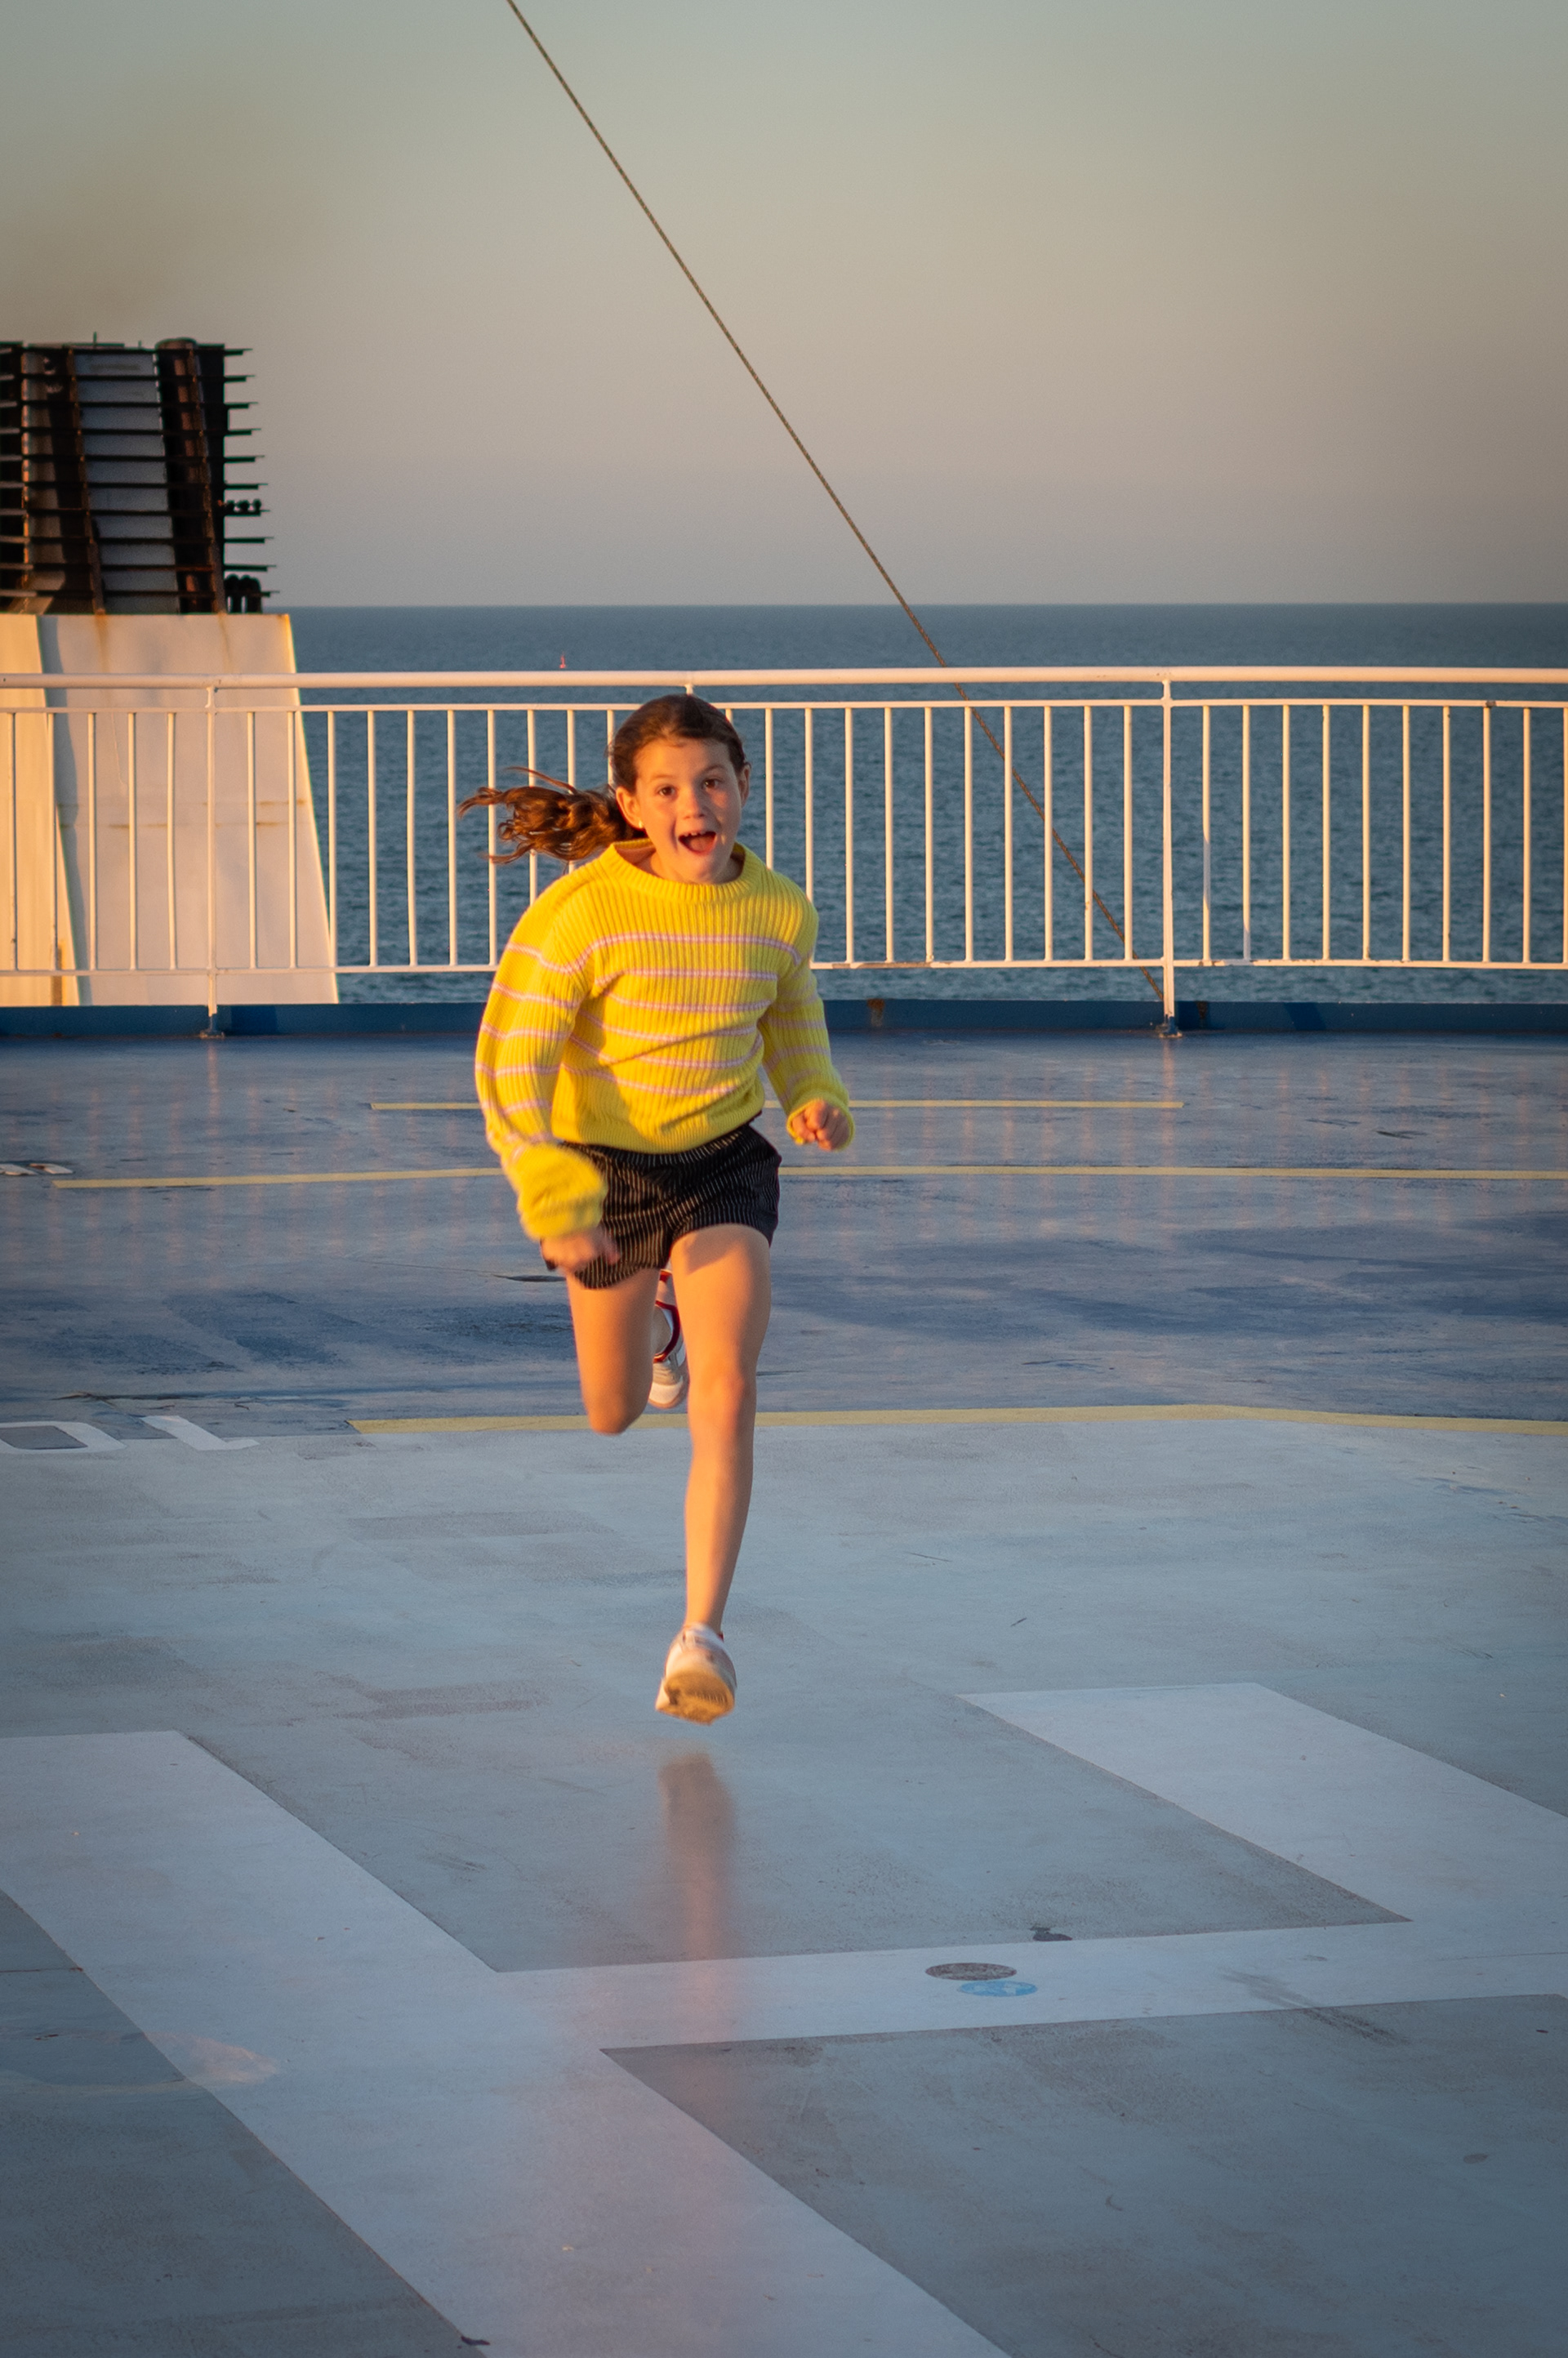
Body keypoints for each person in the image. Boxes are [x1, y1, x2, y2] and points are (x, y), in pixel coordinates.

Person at [467, 694, 853, 1725]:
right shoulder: (582, 913)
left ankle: (702, 1635)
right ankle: (653, 1337)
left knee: (729, 1388)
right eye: (670, 788)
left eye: (714, 781)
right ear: (633, 804)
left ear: (742, 788)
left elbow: (791, 1015)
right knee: (614, 1411)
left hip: (723, 1163)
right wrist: (552, 1193)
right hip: (602, 1177)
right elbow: (510, 1065)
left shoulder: (777, 909)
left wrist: (814, 1093)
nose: (697, 804)